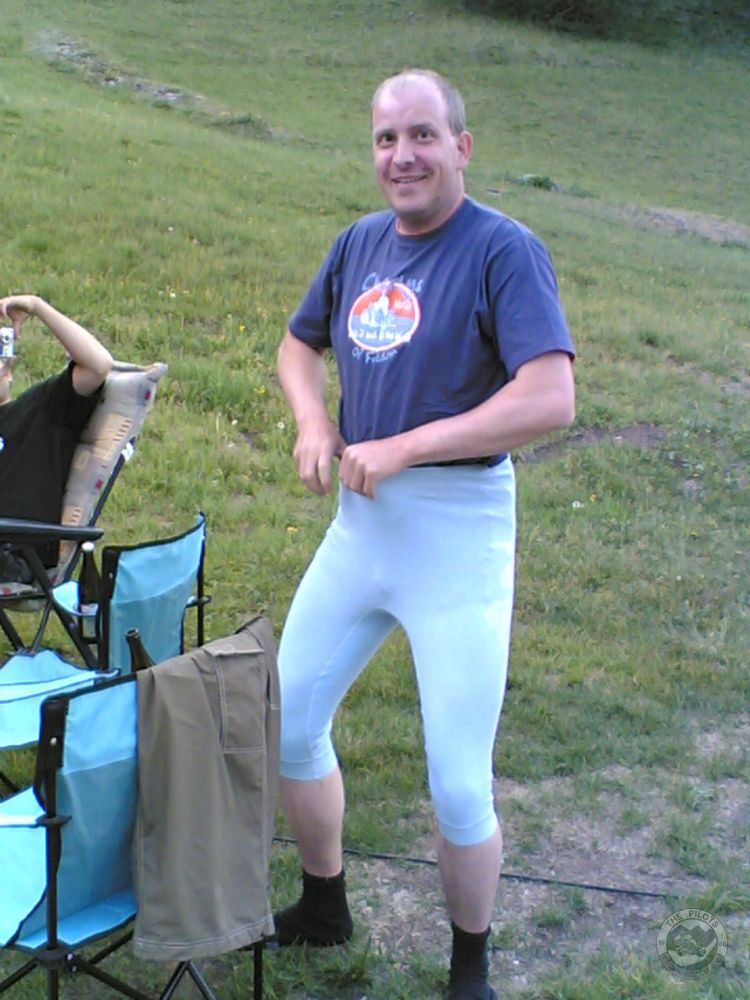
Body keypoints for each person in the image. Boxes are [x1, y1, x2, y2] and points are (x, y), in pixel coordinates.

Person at [275, 68, 576, 1000]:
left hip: (456, 535)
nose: (401, 156)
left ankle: (469, 968)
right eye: (385, 138)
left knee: (457, 783)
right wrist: (313, 421)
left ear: (461, 146)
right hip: (363, 525)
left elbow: (549, 397)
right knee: (289, 719)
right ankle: (324, 906)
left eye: (422, 136)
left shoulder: (503, 250)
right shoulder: (359, 243)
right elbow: (298, 344)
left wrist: (405, 445)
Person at [0, 295, 113, 583]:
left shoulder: (40, 409)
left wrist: (37, 306)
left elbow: (98, 365)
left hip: (17, 555)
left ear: (8, 369)